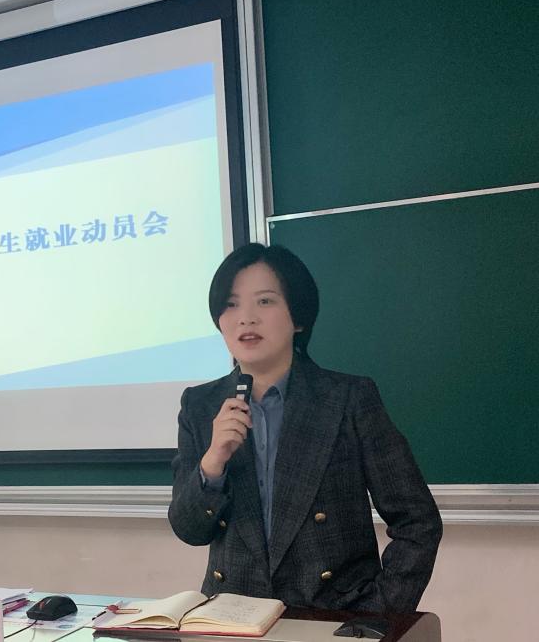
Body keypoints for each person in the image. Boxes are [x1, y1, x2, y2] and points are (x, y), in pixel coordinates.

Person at [168, 243, 442, 613]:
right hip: (232, 618)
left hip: (331, 619)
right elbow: (189, 530)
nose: (245, 318)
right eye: (231, 304)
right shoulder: (200, 405)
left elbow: (417, 520)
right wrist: (213, 462)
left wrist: (379, 610)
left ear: (298, 318)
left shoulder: (347, 398)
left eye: (265, 301)